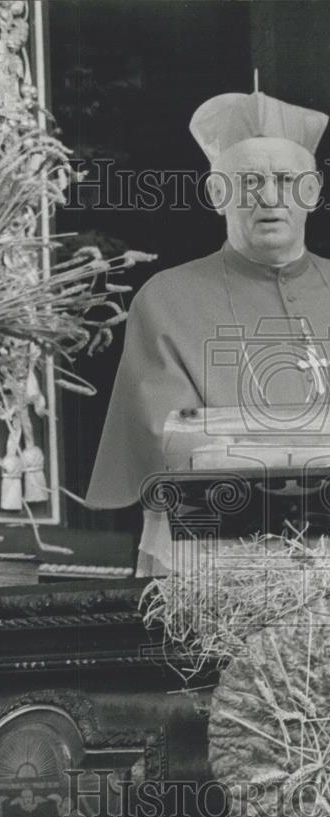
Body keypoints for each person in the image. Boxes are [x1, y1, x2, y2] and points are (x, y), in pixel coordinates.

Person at [84, 89, 330, 574]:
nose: (268, 197)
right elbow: (170, 442)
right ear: (218, 195)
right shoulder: (166, 298)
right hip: (218, 560)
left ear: (313, 192)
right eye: (247, 181)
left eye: (285, 180)